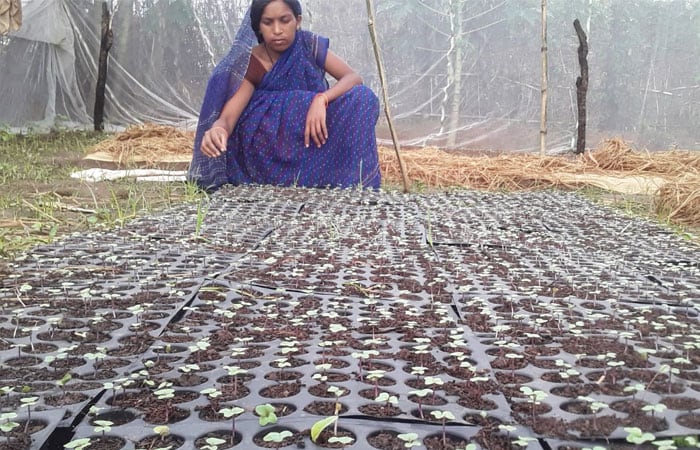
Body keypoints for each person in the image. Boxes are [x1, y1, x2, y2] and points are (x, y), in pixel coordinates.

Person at [188, 0, 381, 191]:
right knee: (294, 103)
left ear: (297, 21)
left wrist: (321, 99)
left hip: (311, 135)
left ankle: (353, 182)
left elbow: (353, 77)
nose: (277, 30)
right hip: (269, 147)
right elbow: (228, 118)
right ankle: (285, 179)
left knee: (362, 97)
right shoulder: (252, 61)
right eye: (268, 22)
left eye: (284, 20)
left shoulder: (308, 44)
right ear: (258, 27)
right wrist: (218, 129)